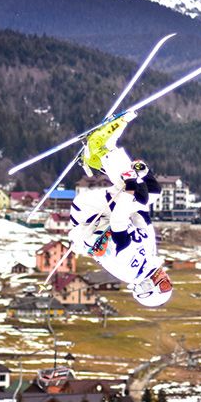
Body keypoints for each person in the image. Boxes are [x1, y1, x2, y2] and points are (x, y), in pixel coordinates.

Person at [68, 116, 173, 307]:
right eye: (169, 283)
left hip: (88, 216)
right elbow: (142, 215)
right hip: (104, 215)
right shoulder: (149, 259)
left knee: (134, 194)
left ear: (147, 288)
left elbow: (119, 222)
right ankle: (96, 157)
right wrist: (146, 177)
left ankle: (101, 147)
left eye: (164, 284)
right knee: (150, 194)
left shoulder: (129, 268)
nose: (165, 278)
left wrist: (131, 185)